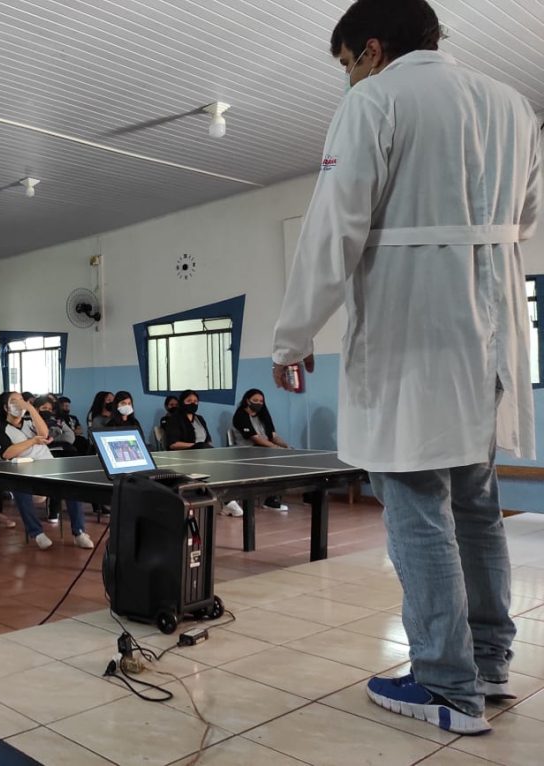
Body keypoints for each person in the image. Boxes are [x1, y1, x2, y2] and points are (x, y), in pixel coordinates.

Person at [271, 0, 541, 736]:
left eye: (347, 64)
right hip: (490, 341)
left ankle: (446, 685)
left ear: (372, 48)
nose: (348, 79)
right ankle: (487, 666)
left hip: (411, 340)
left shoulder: (377, 103)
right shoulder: (514, 106)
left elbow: (333, 232)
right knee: (478, 510)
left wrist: (291, 339)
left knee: (418, 509)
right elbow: (525, 217)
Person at [0, 391, 94, 550]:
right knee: (20, 490)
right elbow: (7, 453)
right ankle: (37, 533)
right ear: (6, 407)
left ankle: (79, 532)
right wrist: (32, 441)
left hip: (49, 467)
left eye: (22, 401)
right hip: (25, 473)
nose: (20, 404)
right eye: (15, 401)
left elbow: (44, 434)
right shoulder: (1, 429)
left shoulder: (30, 421)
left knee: (72, 486)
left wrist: (31, 408)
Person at [164, 391, 244, 517]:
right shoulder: (174, 419)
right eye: (189, 401)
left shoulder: (199, 419)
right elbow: (173, 444)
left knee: (221, 468)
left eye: (195, 401)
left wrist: (204, 448)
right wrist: (196, 446)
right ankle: (227, 501)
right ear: (182, 402)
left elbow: (208, 440)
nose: (193, 404)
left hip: (202, 455)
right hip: (183, 457)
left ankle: (227, 500)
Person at [231, 389, 290, 512]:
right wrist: (275, 448)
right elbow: (255, 439)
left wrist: (286, 446)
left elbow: (273, 436)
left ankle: (273, 499)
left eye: (261, 401)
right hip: (246, 450)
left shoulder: (264, 415)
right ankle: (270, 500)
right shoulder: (240, 415)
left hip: (264, 449)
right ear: (247, 401)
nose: (259, 403)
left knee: (287, 456)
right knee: (275, 459)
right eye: (255, 400)